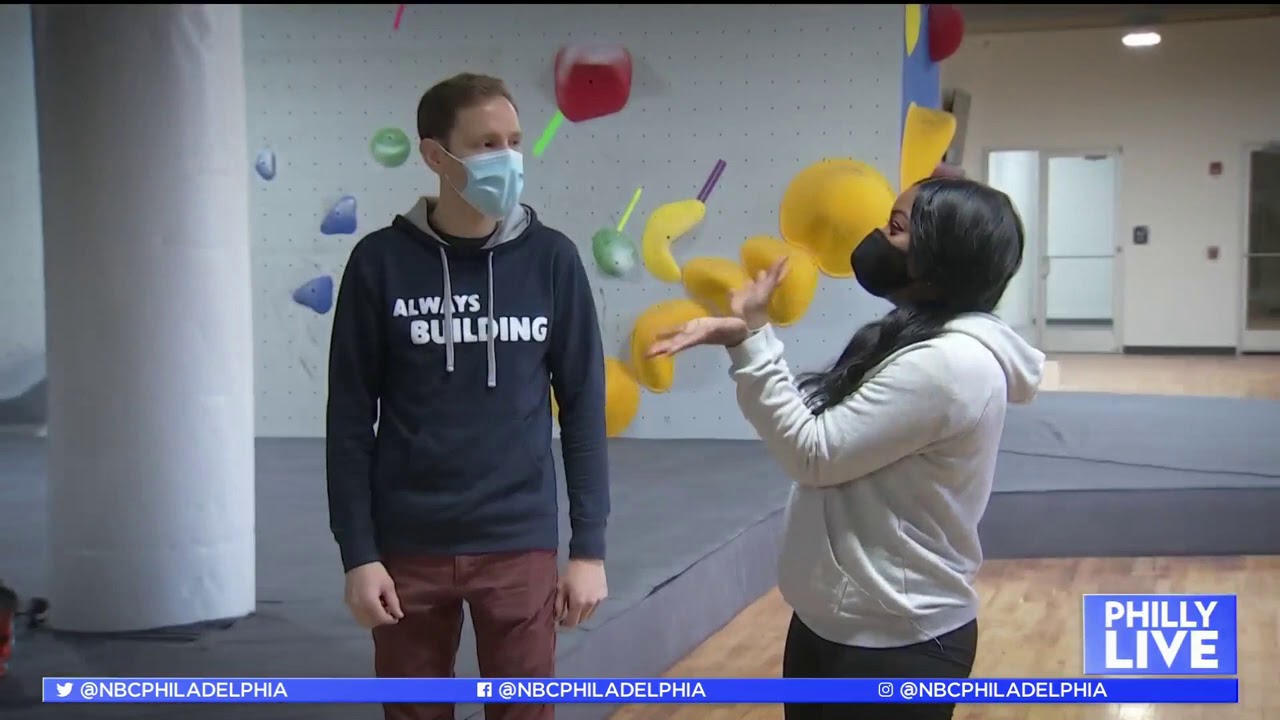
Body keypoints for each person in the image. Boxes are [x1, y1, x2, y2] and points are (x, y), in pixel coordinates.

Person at [648, 177, 1044, 720]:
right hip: (840, 625)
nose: (880, 235)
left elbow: (814, 454)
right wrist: (754, 327)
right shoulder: (923, 345)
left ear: (941, 255)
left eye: (898, 227)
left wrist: (747, 342)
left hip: (893, 644)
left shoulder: (947, 366)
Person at [326, 72, 611, 720]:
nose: (508, 159)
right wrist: (359, 555)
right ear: (435, 155)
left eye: (514, 141)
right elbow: (347, 422)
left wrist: (588, 549)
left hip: (519, 542)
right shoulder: (379, 264)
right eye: (486, 144)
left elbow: (584, 412)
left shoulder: (553, 261)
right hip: (407, 549)